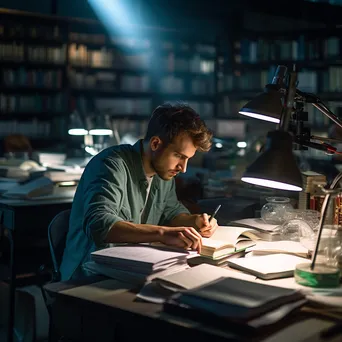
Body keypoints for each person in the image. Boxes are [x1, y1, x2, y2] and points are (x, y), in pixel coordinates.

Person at [60, 102, 217, 281]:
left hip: (131, 272)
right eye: (179, 156)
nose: (183, 168)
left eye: (187, 159)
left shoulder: (164, 173)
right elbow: (99, 224)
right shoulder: (111, 165)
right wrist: (163, 234)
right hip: (87, 279)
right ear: (156, 143)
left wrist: (194, 222)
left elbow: (171, 213)